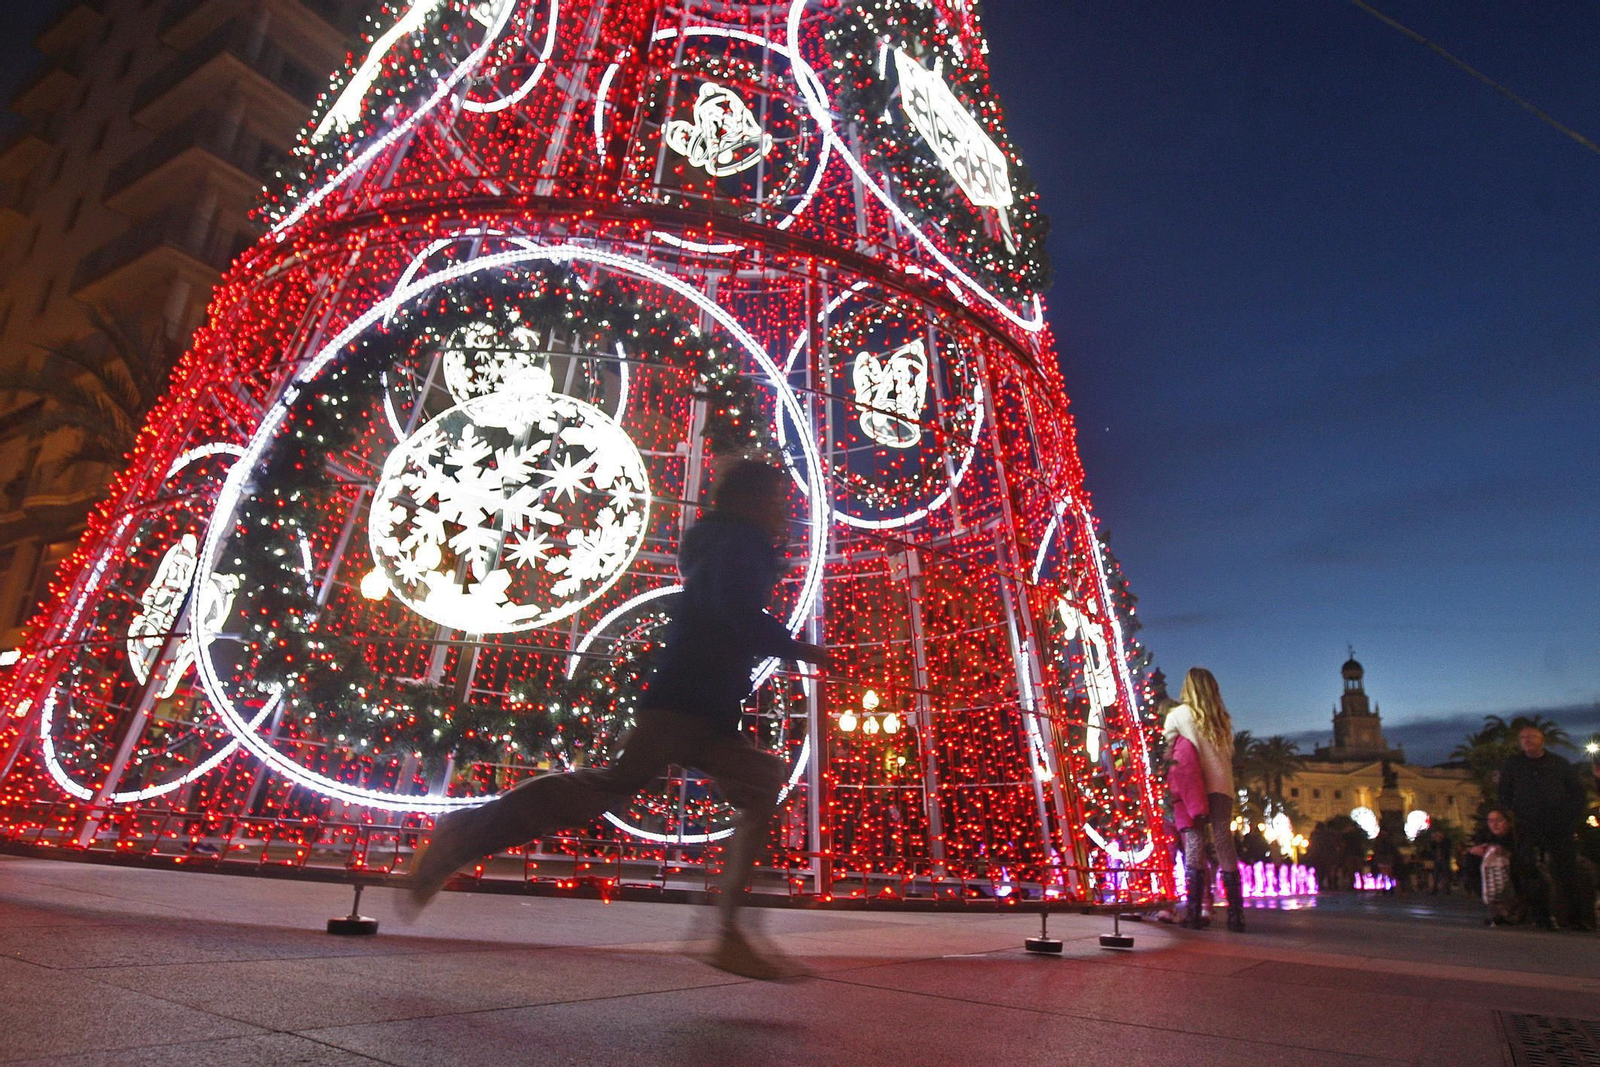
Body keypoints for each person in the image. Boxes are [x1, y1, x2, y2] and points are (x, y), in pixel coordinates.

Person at [401, 460, 829, 977]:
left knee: (718, 782)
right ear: (751, 499)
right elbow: (733, 613)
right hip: (691, 700)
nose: (782, 509)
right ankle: (461, 834)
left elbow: (725, 612)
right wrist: (799, 648)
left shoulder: (725, 542)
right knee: (615, 786)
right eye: (776, 498)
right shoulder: (740, 544)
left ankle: (727, 932)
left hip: (698, 700)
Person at [1162, 667, 1245, 931]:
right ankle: (1236, 916)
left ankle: (1194, 913)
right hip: (1222, 786)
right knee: (1223, 842)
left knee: (1194, 841)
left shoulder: (1177, 715)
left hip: (1193, 787)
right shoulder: (1222, 718)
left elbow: (1167, 753)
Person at [1498, 722, 1588, 930]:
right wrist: (1514, 814)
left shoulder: (1559, 763)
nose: (1527, 741)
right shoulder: (1513, 764)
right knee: (1530, 871)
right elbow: (1504, 792)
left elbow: (1577, 793)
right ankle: (1541, 917)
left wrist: (1569, 817)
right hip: (1527, 826)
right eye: (1523, 738)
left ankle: (1575, 919)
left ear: (1542, 740)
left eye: (1532, 736)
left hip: (1559, 826)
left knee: (1567, 871)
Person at [1467, 809, 1518, 925]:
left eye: (1499, 820)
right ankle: (1497, 909)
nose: (1494, 825)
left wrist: (1506, 853)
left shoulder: (1516, 837)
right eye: (1491, 821)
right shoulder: (1485, 836)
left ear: (1508, 822)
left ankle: (1511, 909)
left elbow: (1524, 858)